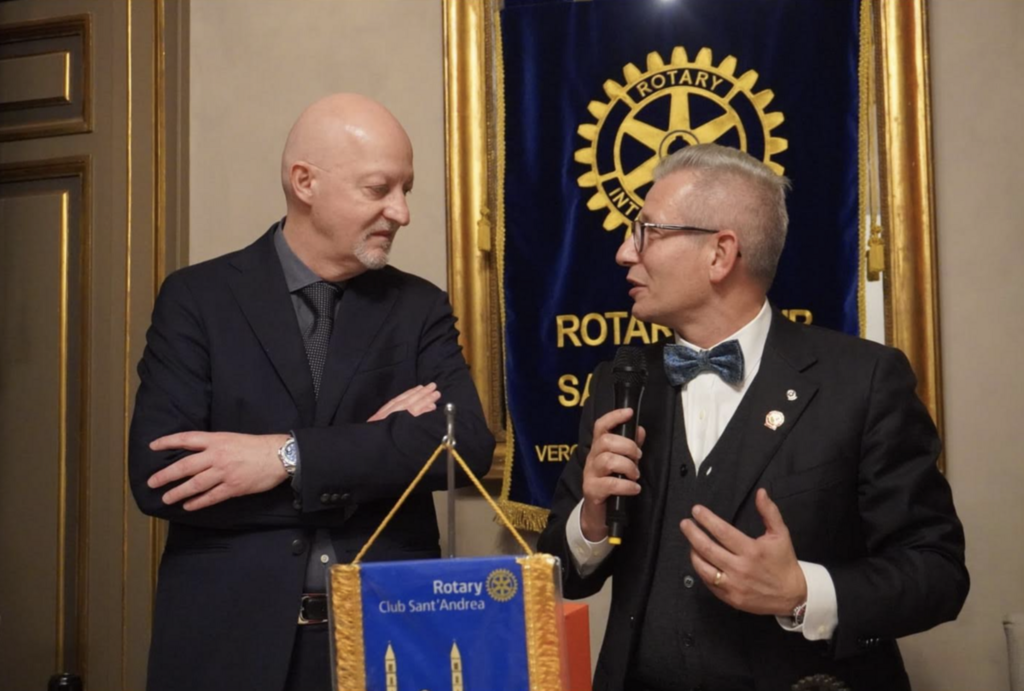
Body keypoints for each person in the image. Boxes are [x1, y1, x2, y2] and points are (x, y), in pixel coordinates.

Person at [537, 144, 968, 690]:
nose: (625, 253)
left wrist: (802, 592)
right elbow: (560, 574)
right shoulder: (619, 383)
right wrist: (591, 522)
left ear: (720, 254)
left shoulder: (863, 381)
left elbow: (937, 572)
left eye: (647, 232)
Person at [129, 93, 495, 691]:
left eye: (406, 189)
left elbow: (466, 446)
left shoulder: (419, 307)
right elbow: (161, 477)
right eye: (379, 189)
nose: (401, 212)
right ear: (305, 182)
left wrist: (284, 458)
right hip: (227, 644)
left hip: (387, 640)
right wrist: (373, 450)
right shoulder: (197, 299)